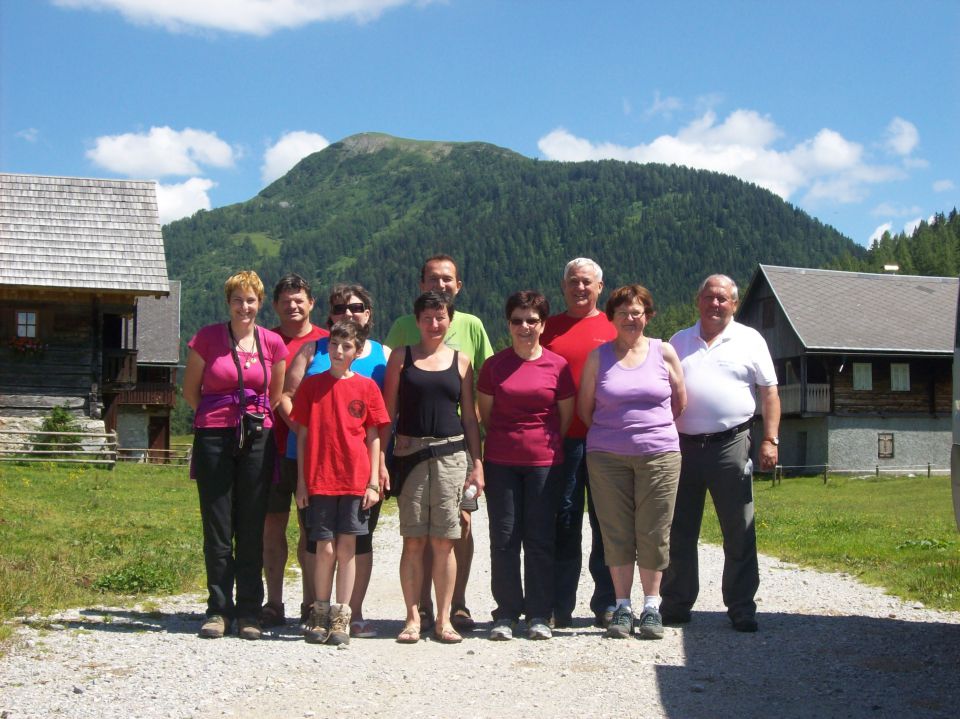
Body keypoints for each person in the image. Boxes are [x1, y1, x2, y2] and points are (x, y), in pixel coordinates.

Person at [661, 274, 781, 633]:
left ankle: (741, 606)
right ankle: (676, 603)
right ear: (698, 300)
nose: (716, 304)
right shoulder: (678, 341)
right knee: (679, 529)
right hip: (682, 446)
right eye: (710, 297)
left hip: (731, 443)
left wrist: (770, 440)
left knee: (738, 528)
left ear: (734, 303)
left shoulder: (750, 339)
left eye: (723, 299)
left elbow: (770, 394)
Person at [385, 254, 493, 633]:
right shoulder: (401, 340)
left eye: (446, 279)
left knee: (454, 531)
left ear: (457, 287)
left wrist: (478, 460)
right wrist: (381, 459)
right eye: (432, 279)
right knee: (415, 537)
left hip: (453, 453)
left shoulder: (470, 338)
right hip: (412, 452)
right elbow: (388, 407)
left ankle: (452, 609)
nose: (439, 286)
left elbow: (477, 402)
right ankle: (417, 613)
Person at [278, 284, 390, 635]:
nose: (348, 313)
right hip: (317, 471)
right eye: (340, 308)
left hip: (358, 474)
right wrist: (303, 468)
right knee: (317, 542)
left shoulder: (380, 357)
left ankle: (348, 614)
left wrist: (376, 472)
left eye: (356, 307)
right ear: (330, 315)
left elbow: (376, 428)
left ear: (367, 313)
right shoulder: (313, 353)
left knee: (354, 543)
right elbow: (291, 403)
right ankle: (315, 609)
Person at [183, 270, 288, 640]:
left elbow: (274, 394)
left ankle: (249, 612)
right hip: (214, 435)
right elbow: (190, 391)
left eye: (251, 300)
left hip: (257, 437)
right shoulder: (208, 339)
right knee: (217, 523)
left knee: (251, 523)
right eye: (237, 300)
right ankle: (217, 609)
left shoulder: (273, 342)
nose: (244, 307)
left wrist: (250, 417)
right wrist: (217, 418)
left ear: (260, 304)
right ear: (228, 303)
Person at [579, 285, 686, 640]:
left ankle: (652, 607)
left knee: (654, 531)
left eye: (637, 312)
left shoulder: (664, 352)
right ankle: (623, 607)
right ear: (611, 317)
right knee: (616, 532)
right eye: (623, 312)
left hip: (659, 454)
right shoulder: (599, 357)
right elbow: (584, 408)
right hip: (607, 457)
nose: (630, 318)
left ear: (648, 316)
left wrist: (648, 431)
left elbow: (679, 402)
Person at [477, 291, 575, 641]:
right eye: (517, 320)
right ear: (508, 324)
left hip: (544, 464)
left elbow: (564, 418)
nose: (524, 326)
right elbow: (485, 415)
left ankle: (538, 612)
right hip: (501, 462)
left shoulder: (558, 366)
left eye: (531, 320)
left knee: (540, 539)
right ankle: (505, 612)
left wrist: (539, 444)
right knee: (503, 539)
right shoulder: (494, 366)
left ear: (543, 325)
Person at [540, 258, 617, 628]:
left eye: (587, 282)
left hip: (606, 440)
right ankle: (559, 605)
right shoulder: (547, 328)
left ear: (600, 287)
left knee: (606, 522)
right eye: (573, 281)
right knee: (565, 521)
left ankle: (606, 602)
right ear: (564, 286)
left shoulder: (614, 327)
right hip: (561, 440)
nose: (580, 288)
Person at [262, 273, 329, 628]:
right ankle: (273, 602)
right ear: (275, 306)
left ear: (311, 303)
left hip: (313, 453)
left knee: (309, 528)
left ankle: (309, 602)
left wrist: (308, 436)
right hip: (271, 447)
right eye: (286, 301)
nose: (293, 306)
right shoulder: (265, 339)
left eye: (299, 299)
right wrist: (300, 429)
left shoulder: (326, 341)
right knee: (272, 524)